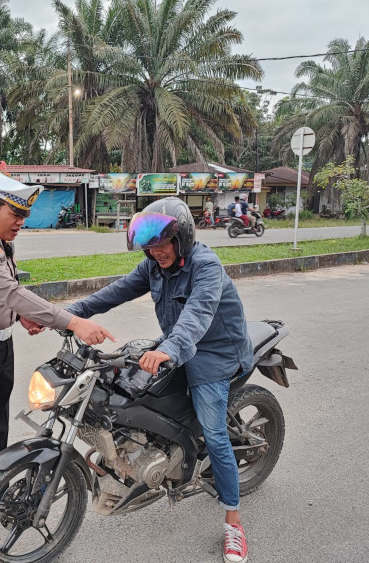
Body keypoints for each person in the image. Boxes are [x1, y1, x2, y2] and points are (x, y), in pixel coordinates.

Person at [0, 167, 115, 544]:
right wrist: (73, 321)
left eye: (25, 216)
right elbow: (12, 293)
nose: (21, 223)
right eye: (16, 214)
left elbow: (2, 293)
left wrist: (19, 317)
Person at [66, 197, 253, 563]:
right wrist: (68, 315)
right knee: (123, 386)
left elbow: (197, 316)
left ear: (181, 238)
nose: (155, 251)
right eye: (149, 246)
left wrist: (170, 349)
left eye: (162, 243)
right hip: (176, 343)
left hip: (216, 353)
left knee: (214, 434)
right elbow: (114, 292)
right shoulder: (153, 265)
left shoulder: (206, 266)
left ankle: (233, 522)